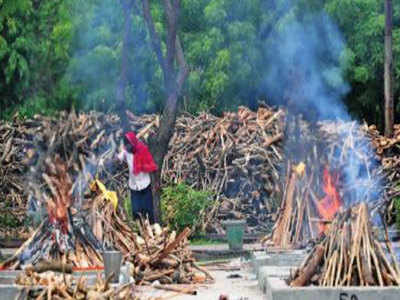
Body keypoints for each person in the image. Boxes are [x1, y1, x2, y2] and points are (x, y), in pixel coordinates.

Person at [117, 131, 158, 223]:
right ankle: (139, 231)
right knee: (136, 211)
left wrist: (155, 183)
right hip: (134, 187)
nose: (126, 148)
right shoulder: (126, 152)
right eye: (125, 146)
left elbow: (152, 166)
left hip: (145, 185)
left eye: (128, 145)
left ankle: (152, 229)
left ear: (132, 143)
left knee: (148, 210)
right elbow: (118, 158)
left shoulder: (143, 150)